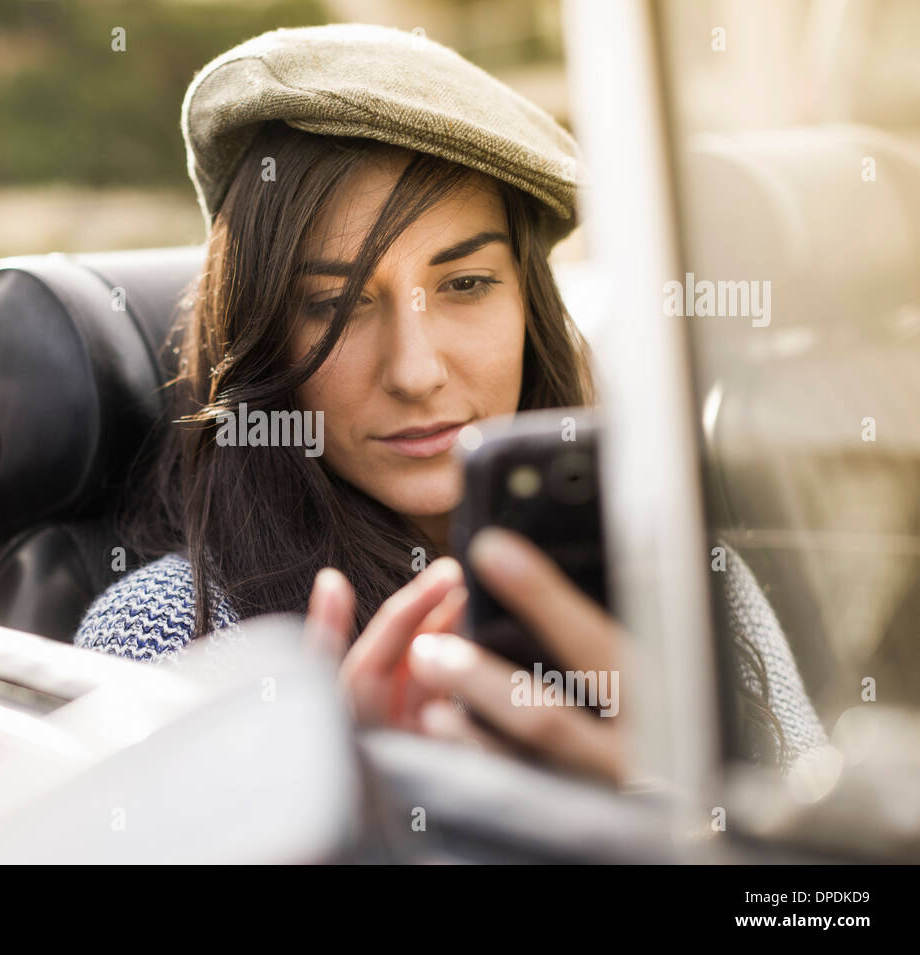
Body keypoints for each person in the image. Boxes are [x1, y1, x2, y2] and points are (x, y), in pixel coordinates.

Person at [73, 23, 829, 783]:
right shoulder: (171, 636)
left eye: (465, 285)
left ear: (531, 303)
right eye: (335, 303)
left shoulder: (681, 571)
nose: (415, 370)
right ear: (262, 333)